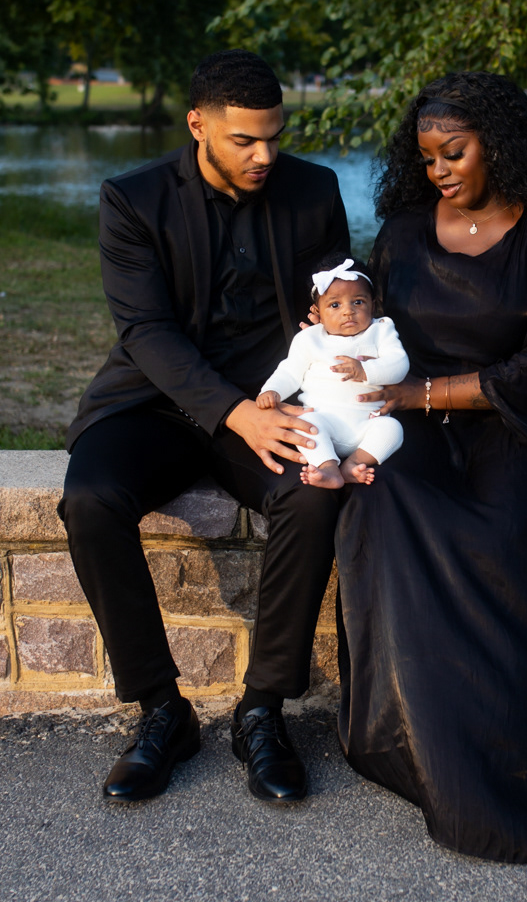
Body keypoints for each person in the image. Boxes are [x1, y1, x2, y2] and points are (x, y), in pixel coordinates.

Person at [334, 71, 527, 863]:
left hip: (517, 428)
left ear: (499, 146)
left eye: (455, 152)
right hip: (411, 425)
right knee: (386, 499)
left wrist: (425, 392)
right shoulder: (402, 234)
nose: (439, 169)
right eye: (427, 157)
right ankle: (421, 737)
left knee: (509, 532)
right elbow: (372, 333)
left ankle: (512, 746)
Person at [58, 49, 350, 805]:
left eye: (274, 137)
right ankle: (162, 711)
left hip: (270, 402)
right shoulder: (133, 199)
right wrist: (234, 412)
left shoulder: (314, 190)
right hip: (155, 402)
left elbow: (340, 302)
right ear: (198, 125)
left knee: (312, 494)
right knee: (90, 498)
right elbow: (146, 332)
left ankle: (262, 710)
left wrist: (339, 352)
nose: (265, 156)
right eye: (244, 140)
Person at [257, 255, 409, 488]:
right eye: (335, 305)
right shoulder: (309, 338)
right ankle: (328, 468)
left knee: (393, 430)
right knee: (303, 422)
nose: (348, 311)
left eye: (358, 302)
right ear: (317, 310)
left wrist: (366, 370)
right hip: (322, 419)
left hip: (368, 424)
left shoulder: (381, 331)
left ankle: (353, 464)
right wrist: (272, 391)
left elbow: (399, 364)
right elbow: (289, 371)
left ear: (373, 305)